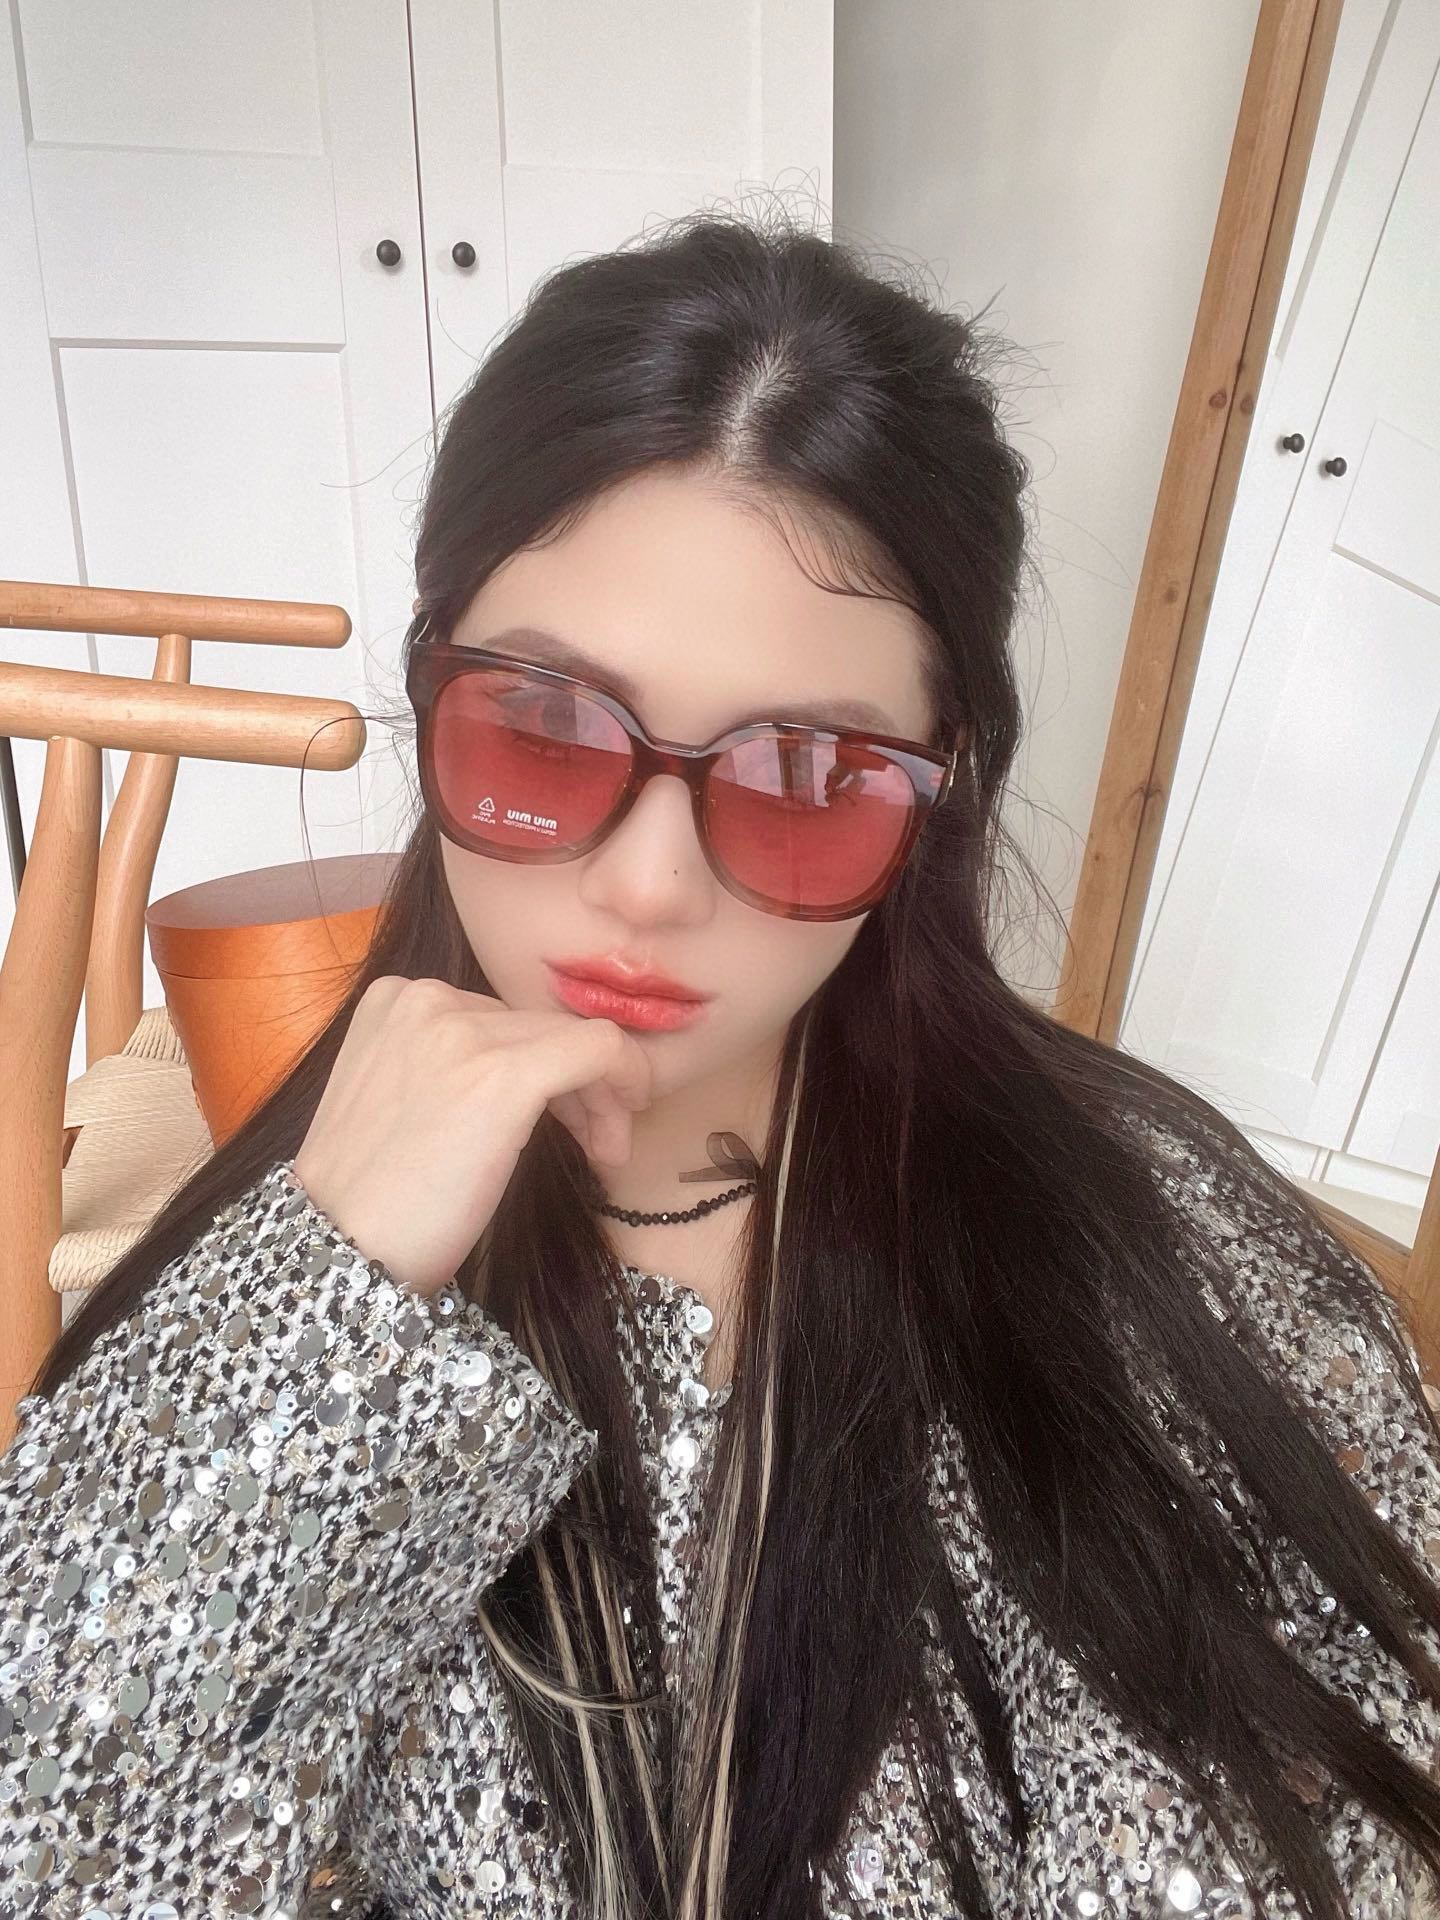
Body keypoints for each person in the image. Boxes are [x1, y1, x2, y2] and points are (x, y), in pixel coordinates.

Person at [3, 204, 1440, 1920]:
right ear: (430, 691)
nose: (648, 886)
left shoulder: (1172, 1254)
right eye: (544, 723)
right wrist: (323, 1309)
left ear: (940, 792)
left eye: (808, 775)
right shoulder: (282, 1286)